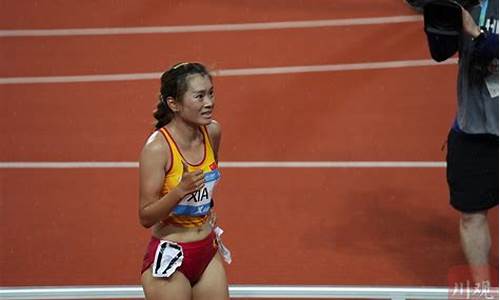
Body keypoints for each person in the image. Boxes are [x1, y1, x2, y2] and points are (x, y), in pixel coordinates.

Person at [138, 62, 230, 300]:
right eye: (199, 96)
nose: (209, 103)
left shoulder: (212, 132)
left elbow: (206, 183)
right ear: (174, 104)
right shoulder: (157, 148)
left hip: (206, 250)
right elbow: (145, 216)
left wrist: (207, 207)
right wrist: (180, 190)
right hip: (171, 255)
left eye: (210, 93)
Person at [426, 0, 499, 285]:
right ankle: (484, 290)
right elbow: (440, 53)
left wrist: (477, 34)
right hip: (473, 128)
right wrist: (439, 15)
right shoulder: (469, 3)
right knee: (471, 215)